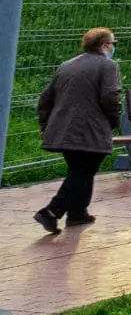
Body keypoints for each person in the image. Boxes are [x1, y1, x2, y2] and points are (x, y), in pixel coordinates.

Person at [33, 28, 122, 234]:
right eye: (112, 44)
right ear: (103, 45)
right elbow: (110, 96)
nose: (113, 48)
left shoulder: (67, 65)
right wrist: (113, 120)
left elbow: (46, 97)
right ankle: (51, 211)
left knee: (79, 170)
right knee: (84, 170)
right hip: (90, 128)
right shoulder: (108, 65)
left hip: (62, 127)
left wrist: (45, 124)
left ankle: (77, 213)